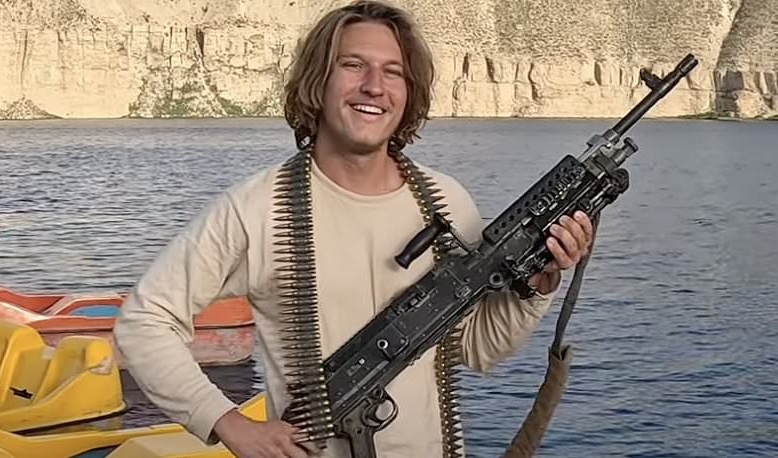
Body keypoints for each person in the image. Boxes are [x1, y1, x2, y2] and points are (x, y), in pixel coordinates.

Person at [112, 1, 594, 457]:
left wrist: (536, 282)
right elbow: (144, 321)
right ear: (317, 81)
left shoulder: (447, 202)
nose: (374, 86)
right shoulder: (257, 208)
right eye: (353, 65)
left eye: (393, 72)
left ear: (408, 93)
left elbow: (479, 349)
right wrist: (229, 424)